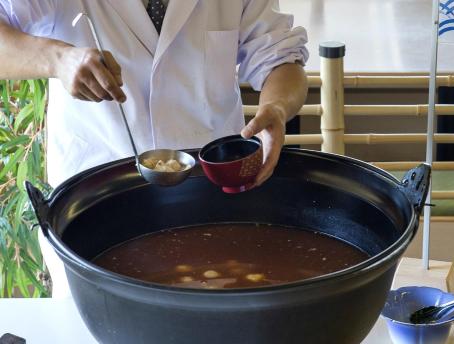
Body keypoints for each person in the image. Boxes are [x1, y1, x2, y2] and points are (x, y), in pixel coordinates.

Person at [0, 0, 308, 297]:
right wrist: (58, 59)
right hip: (96, 204)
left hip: (212, 201)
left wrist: (277, 107)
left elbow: (280, 58)